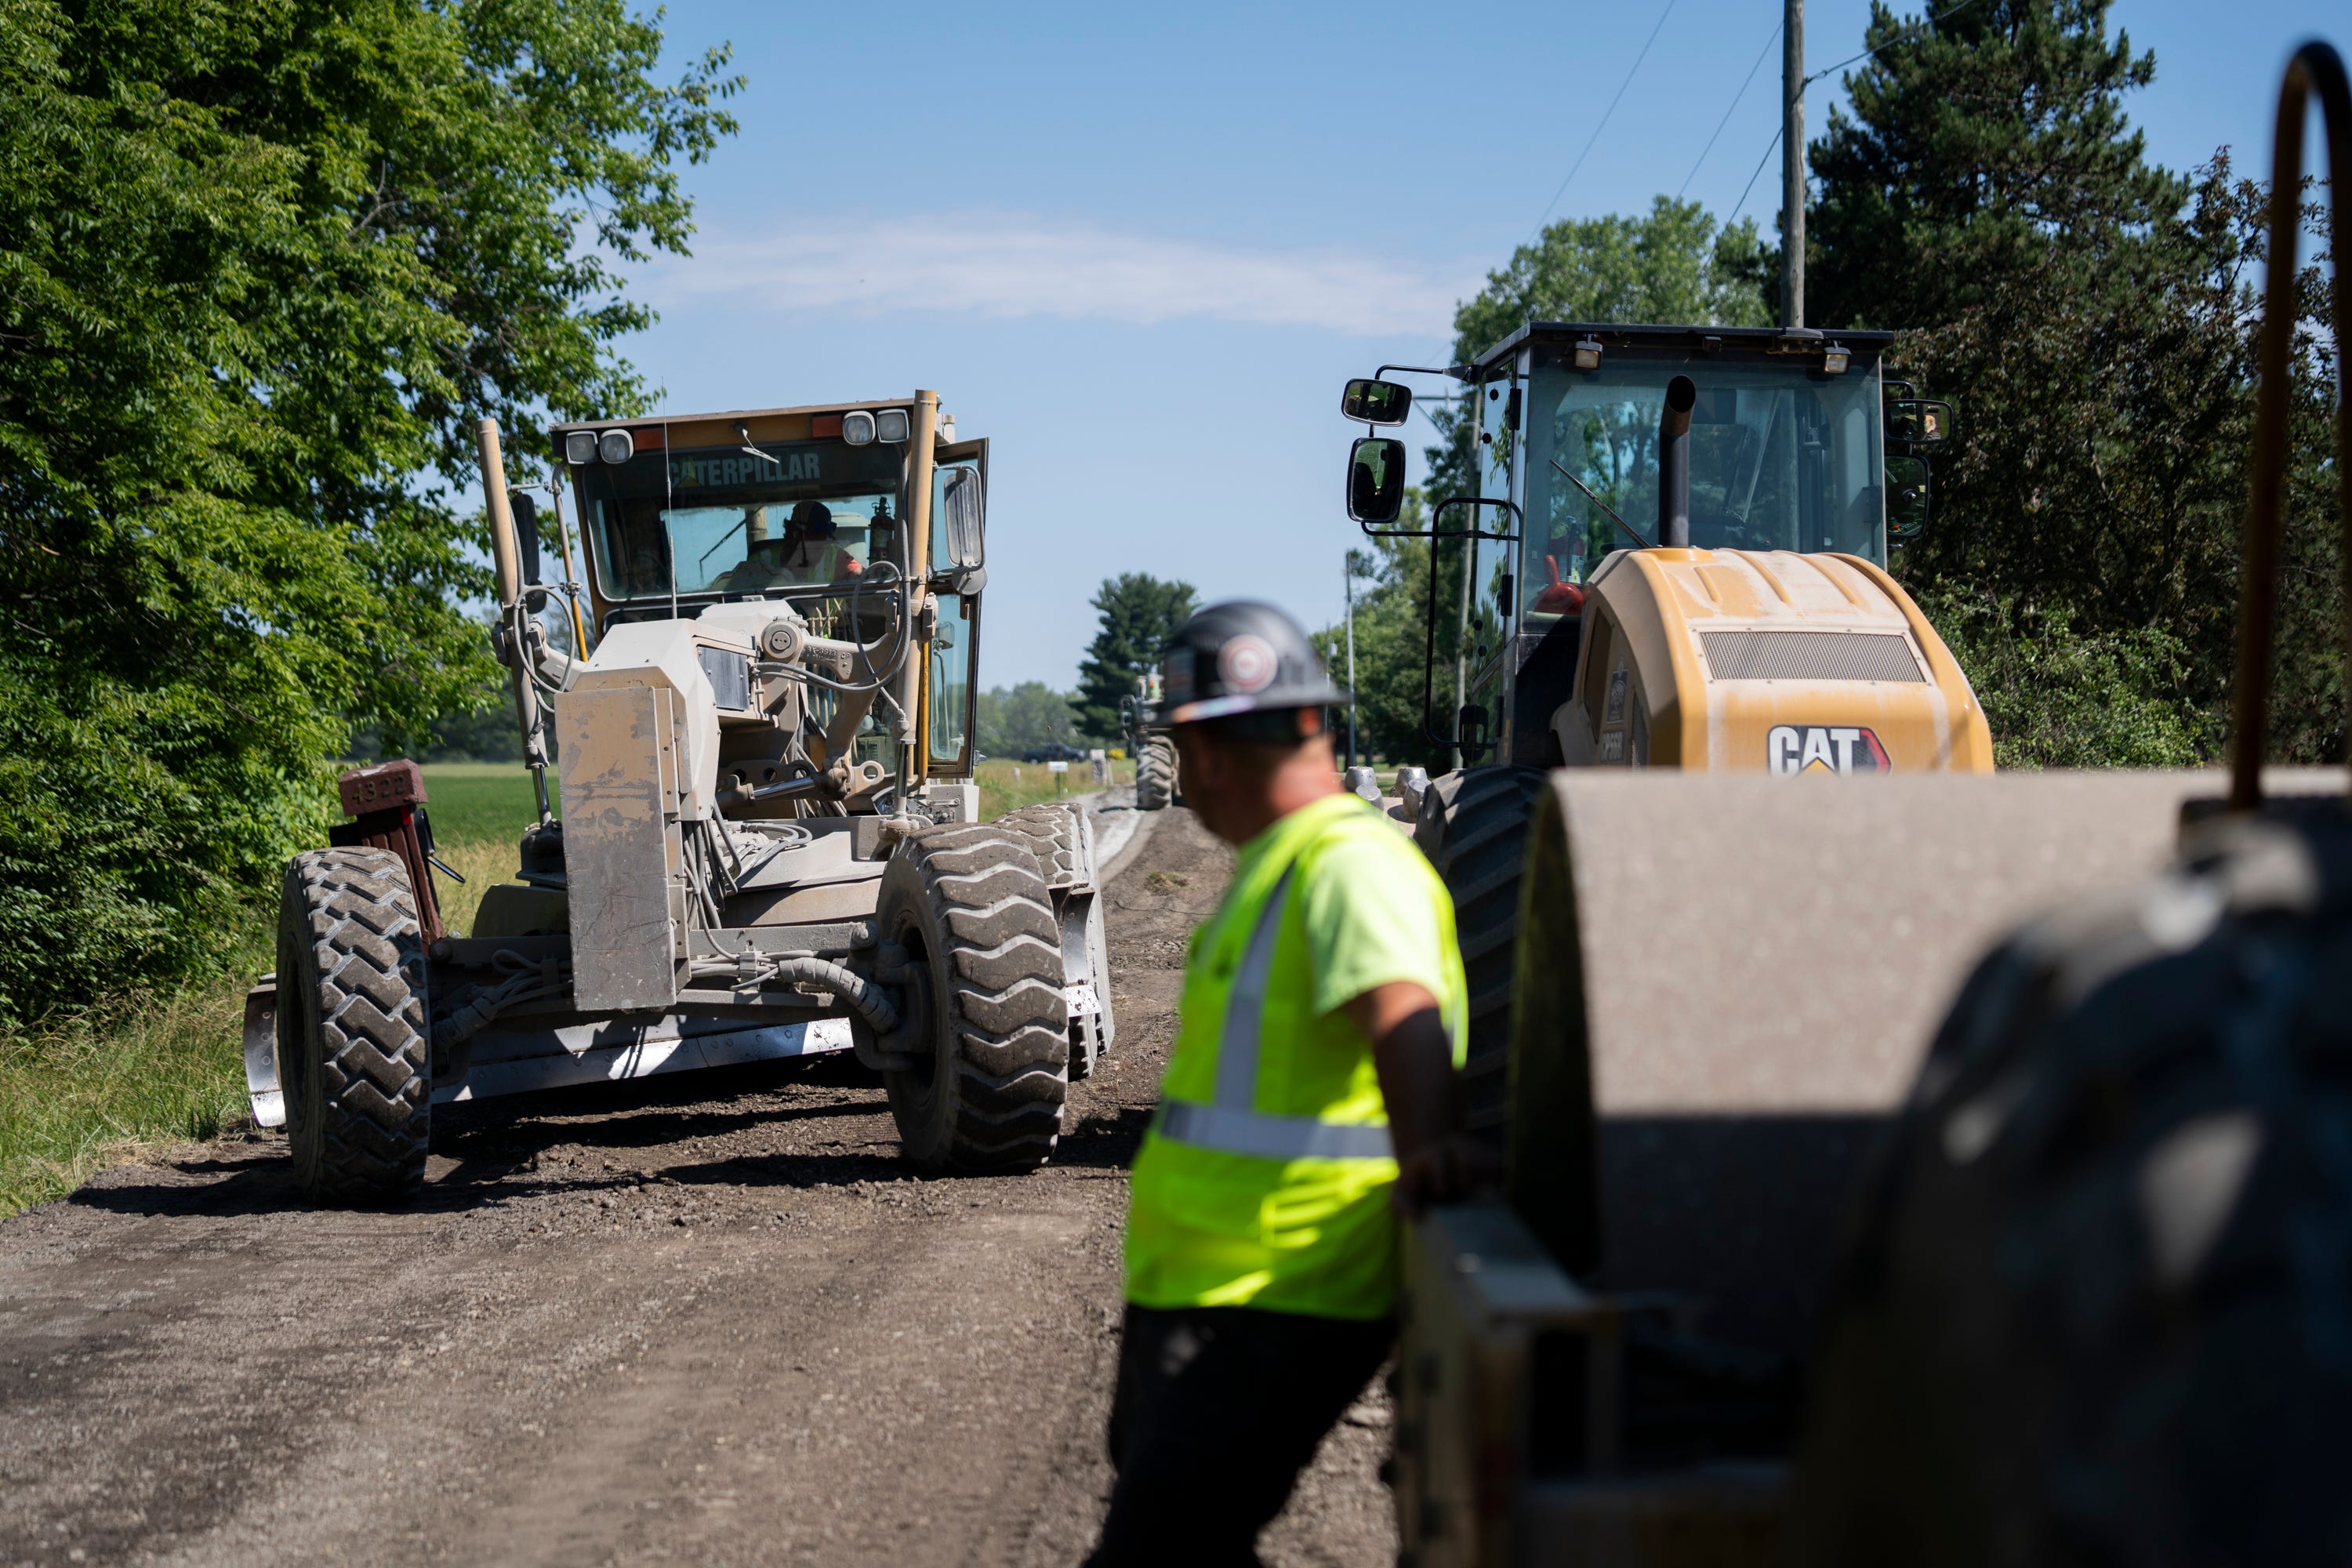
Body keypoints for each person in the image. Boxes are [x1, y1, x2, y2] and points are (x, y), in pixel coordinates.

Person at [1083, 600, 1492, 1568]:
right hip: (1213, 1288)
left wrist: (1430, 1143)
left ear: (1207, 751)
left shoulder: (1348, 863)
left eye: (1180, 753)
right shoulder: (1285, 864)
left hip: (1278, 1293)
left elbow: (1403, 1008)